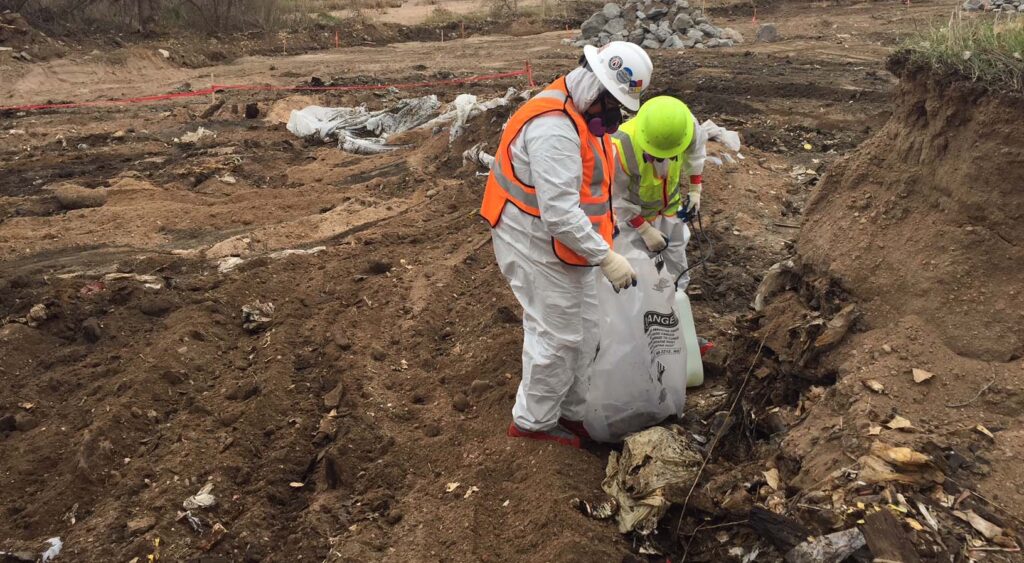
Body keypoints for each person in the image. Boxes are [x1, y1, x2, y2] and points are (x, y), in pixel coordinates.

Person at [479, 42, 653, 448]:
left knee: (587, 330)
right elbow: (558, 213)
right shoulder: (553, 128)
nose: (611, 117)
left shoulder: (580, 115)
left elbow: (594, 193)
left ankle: (570, 414)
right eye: (610, 105)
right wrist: (606, 256)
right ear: (594, 86)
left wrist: (609, 243)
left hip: (568, 241)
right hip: (531, 238)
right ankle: (533, 424)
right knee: (557, 335)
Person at [609, 95, 714, 354]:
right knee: (636, 280)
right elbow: (617, 199)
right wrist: (644, 229)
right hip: (632, 222)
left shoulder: (686, 127)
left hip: (670, 212)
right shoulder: (620, 146)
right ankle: (637, 343)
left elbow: (696, 155)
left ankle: (678, 336)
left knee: (677, 276)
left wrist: (696, 190)